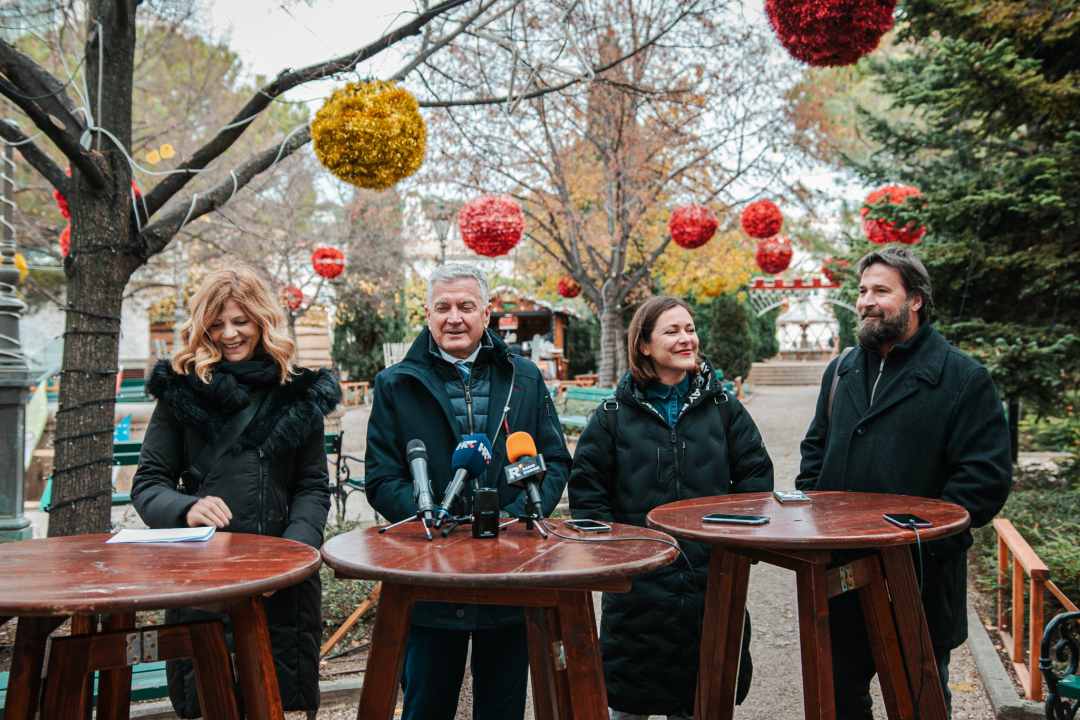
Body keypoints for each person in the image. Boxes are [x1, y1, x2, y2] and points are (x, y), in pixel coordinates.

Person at [796, 245, 1011, 719]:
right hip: (839, 575)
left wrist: (920, 545)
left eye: (881, 291)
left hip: (917, 579)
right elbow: (815, 452)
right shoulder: (841, 370)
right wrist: (819, 525)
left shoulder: (962, 378)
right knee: (837, 702)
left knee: (918, 705)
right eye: (862, 290)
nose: (866, 301)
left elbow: (984, 480)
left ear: (915, 299)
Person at [365, 263, 572, 720]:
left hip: (510, 566)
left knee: (503, 707)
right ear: (427, 313)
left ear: (487, 313)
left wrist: (519, 516)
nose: (453, 317)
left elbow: (555, 461)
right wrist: (430, 522)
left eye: (465, 306)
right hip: (429, 570)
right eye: (442, 307)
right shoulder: (394, 384)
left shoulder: (526, 378)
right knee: (425, 705)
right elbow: (381, 477)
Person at [132, 266, 341, 718]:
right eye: (217, 323)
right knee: (209, 702)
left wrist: (293, 554)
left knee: (273, 702)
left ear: (262, 320)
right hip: (201, 583)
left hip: (279, 584)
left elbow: (311, 487)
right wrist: (187, 508)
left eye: (240, 320)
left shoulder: (298, 394)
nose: (229, 333)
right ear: (202, 327)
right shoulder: (179, 390)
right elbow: (148, 486)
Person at [568, 295, 774, 720]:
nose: (687, 339)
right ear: (644, 345)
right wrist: (618, 558)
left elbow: (756, 482)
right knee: (628, 704)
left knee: (702, 699)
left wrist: (734, 548)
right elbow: (587, 494)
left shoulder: (724, 409)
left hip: (710, 582)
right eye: (672, 331)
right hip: (637, 591)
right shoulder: (611, 416)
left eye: (690, 329)